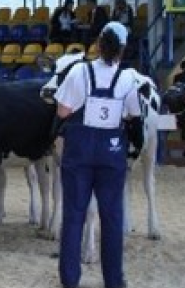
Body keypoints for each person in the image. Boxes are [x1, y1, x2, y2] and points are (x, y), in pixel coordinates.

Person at [55, 22, 143, 288]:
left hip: (79, 148)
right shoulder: (129, 78)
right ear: (123, 49)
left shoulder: (79, 71)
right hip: (111, 150)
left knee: (74, 216)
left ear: (98, 44)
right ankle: (114, 280)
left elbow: (62, 111)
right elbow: (133, 114)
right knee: (112, 217)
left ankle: (70, 280)